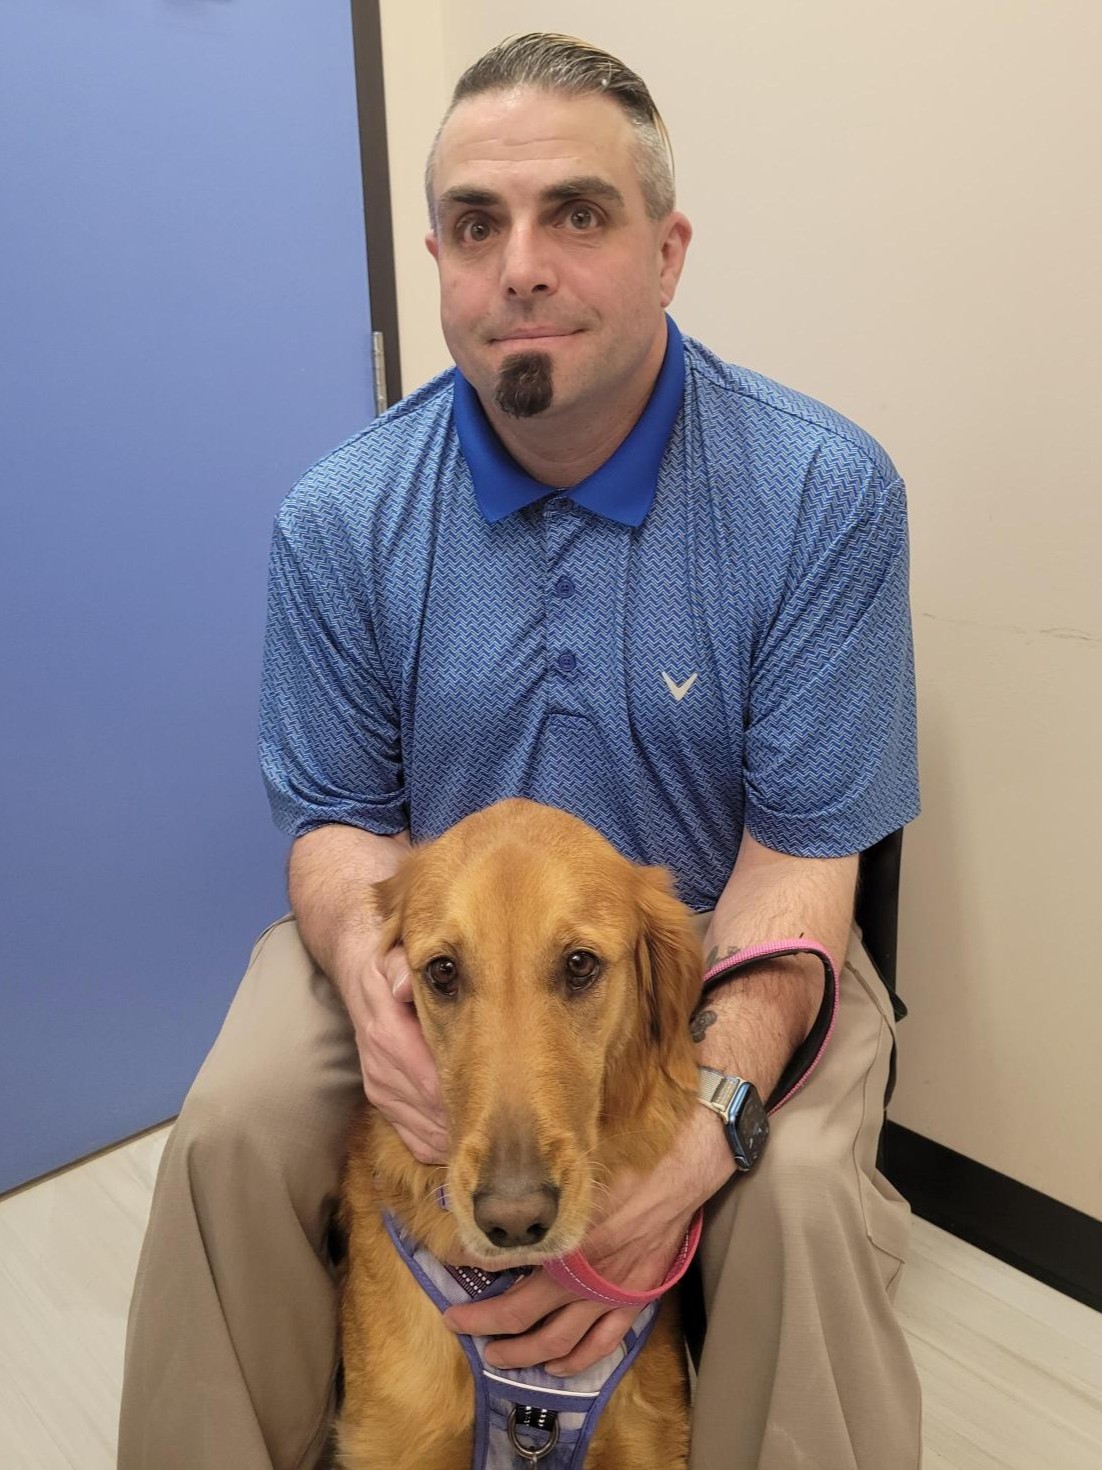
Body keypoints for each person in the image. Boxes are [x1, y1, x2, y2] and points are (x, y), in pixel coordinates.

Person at [119, 32, 922, 1470]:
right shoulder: (341, 516)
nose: (521, 266)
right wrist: (382, 994)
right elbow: (338, 824)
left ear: (667, 250)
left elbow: (802, 865)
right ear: (436, 258)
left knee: (792, 1190)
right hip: (435, 940)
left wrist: (700, 1137)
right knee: (235, 1122)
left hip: (721, 945)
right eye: (477, 226)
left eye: (577, 214)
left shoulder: (819, 493)